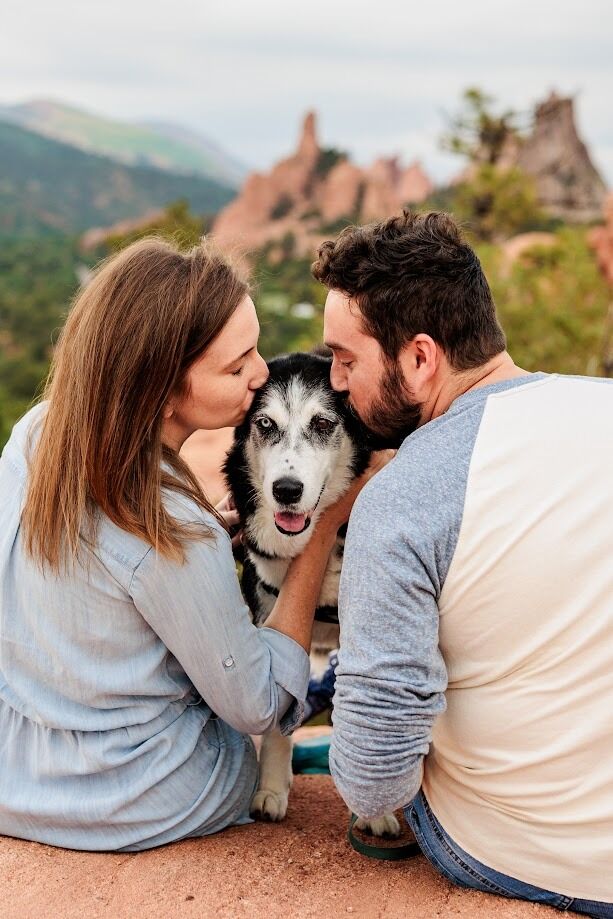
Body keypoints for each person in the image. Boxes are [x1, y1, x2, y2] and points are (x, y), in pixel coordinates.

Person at [0, 236, 379, 852]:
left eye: (255, 346)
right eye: (237, 366)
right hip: (145, 795)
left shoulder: (38, 435)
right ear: (165, 388)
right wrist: (321, 532)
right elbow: (258, 704)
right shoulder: (177, 533)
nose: (262, 373)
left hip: (20, 776)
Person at [312, 210, 613, 916]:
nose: (332, 381)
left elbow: (373, 781)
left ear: (420, 359)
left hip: (529, 849)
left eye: (346, 358)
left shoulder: (403, 498)